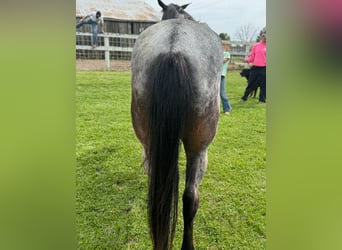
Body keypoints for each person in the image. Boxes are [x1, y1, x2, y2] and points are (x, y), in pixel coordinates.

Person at [240, 30, 267, 103]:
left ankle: (262, 100)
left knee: (263, 85)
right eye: (264, 36)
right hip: (255, 68)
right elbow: (252, 57)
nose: (265, 37)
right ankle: (244, 97)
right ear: (262, 36)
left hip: (264, 68)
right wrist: (246, 60)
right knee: (251, 83)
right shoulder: (256, 46)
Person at [220, 41, 232, 115]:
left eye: (226, 45)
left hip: (221, 75)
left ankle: (227, 108)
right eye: (224, 45)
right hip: (216, 75)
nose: (224, 47)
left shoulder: (227, 54)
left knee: (222, 93)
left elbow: (222, 61)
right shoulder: (219, 53)